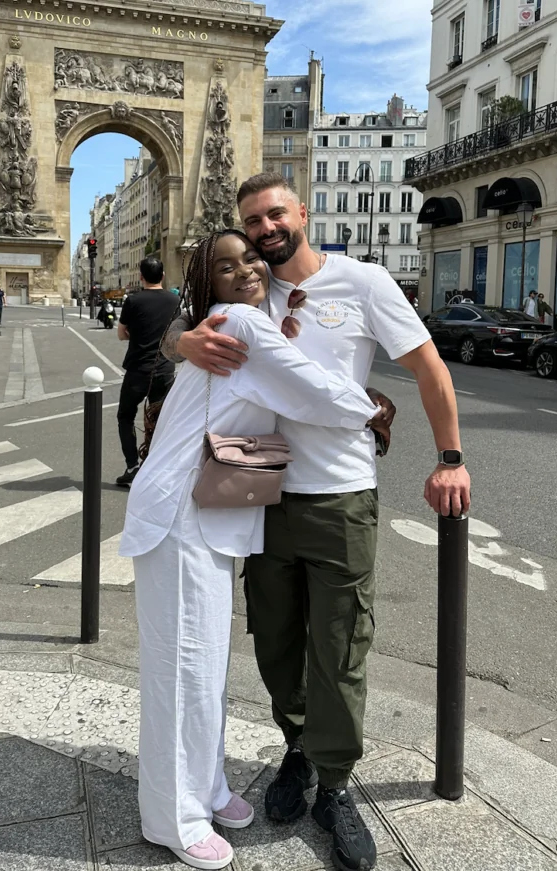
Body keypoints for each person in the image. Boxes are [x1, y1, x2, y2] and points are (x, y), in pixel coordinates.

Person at [164, 173, 471, 871]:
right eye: (253, 221)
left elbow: (427, 367)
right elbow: (180, 321)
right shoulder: (250, 284)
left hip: (338, 491)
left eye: (275, 214)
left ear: (303, 211)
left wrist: (450, 456)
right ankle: (296, 747)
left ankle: (334, 782)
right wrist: (181, 345)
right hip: (258, 477)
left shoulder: (363, 282)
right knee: (273, 636)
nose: (266, 229)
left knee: (339, 643)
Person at [119, 230, 384, 871]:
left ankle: (206, 788)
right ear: (206, 282)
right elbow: (307, 386)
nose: (246, 271)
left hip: (205, 516)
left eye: (251, 260)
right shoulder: (238, 320)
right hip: (180, 516)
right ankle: (174, 819)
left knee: (205, 666)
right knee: (182, 672)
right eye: (226, 265)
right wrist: (368, 408)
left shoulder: (245, 321)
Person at [115, 256, 181, 487]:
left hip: (138, 368)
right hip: (164, 369)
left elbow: (122, 333)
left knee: (125, 416)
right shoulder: (175, 300)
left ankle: (132, 467)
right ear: (162, 276)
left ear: (141, 276)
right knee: (159, 420)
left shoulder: (133, 301)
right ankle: (154, 467)